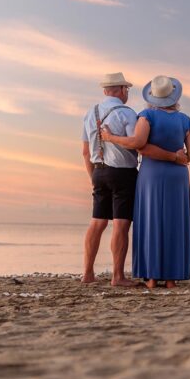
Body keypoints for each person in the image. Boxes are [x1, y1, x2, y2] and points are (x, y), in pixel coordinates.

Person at [101, 75, 190, 288]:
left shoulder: (146, 116)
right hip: (178, 176)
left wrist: (110, 138)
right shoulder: (186, 120)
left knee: (151, 220)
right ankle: (172, 278)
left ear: (152, 96)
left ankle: (152, 277)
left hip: (151, 175)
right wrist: (179, 157)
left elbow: (139, 144)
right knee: (174, 221)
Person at [81, 72, 141, 286]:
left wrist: (93, 177)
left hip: (98, 171)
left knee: (97, 222)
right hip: (122, 172)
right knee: (121, 224)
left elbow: (85, 152)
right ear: (122, 90)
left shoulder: (91, 113)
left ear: (106, 90)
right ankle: (118, 276)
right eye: (126, 89)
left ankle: (87, 274)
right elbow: (135, 142)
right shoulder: (127, 113)